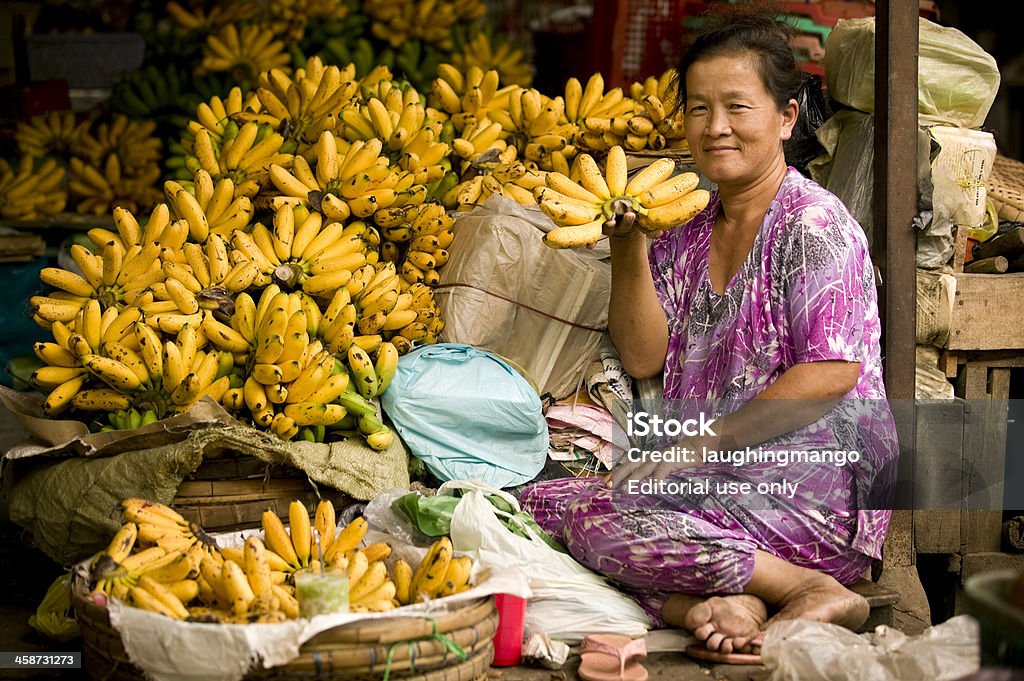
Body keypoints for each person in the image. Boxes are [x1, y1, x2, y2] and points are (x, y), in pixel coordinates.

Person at [519, 7, 898, 665]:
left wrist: (697, 446)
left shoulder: (815, 228)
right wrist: (631, 244)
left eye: (736, 107)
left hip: (815, 484)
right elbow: (644, 354)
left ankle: (806, 582)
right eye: (698, 108)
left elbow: (831, 372)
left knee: (600, 518)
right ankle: (723, 601)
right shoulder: (688, 236)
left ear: (787, 116)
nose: (715, 126)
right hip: (716, 485)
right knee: (536, 505)